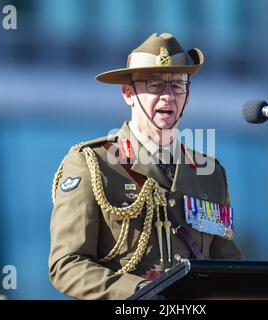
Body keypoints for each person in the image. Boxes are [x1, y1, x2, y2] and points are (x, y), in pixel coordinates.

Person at [48, 33, 243, 300]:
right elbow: (66, 264)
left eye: (177, 85)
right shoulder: (92, 162)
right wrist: (139, 292)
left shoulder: (209, 172)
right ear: (128, 93)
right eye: (154, 85)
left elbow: (228, 265)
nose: (167, 96)